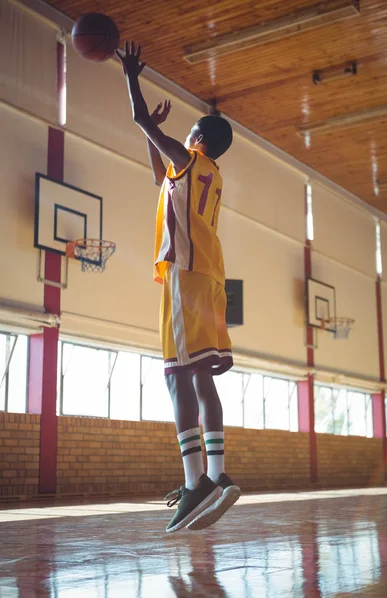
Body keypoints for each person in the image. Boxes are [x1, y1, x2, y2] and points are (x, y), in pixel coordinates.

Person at [117, 41, 241, 533]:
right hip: (211, 279)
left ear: (196, 137)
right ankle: (215, 475)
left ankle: (195, 485)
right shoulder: (207, 172)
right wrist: (156, 136)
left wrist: (131, 76)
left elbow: (140, 121)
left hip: (185, 277)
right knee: (200, 377)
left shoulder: (190, 161)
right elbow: (157, 172)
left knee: (175, 376)